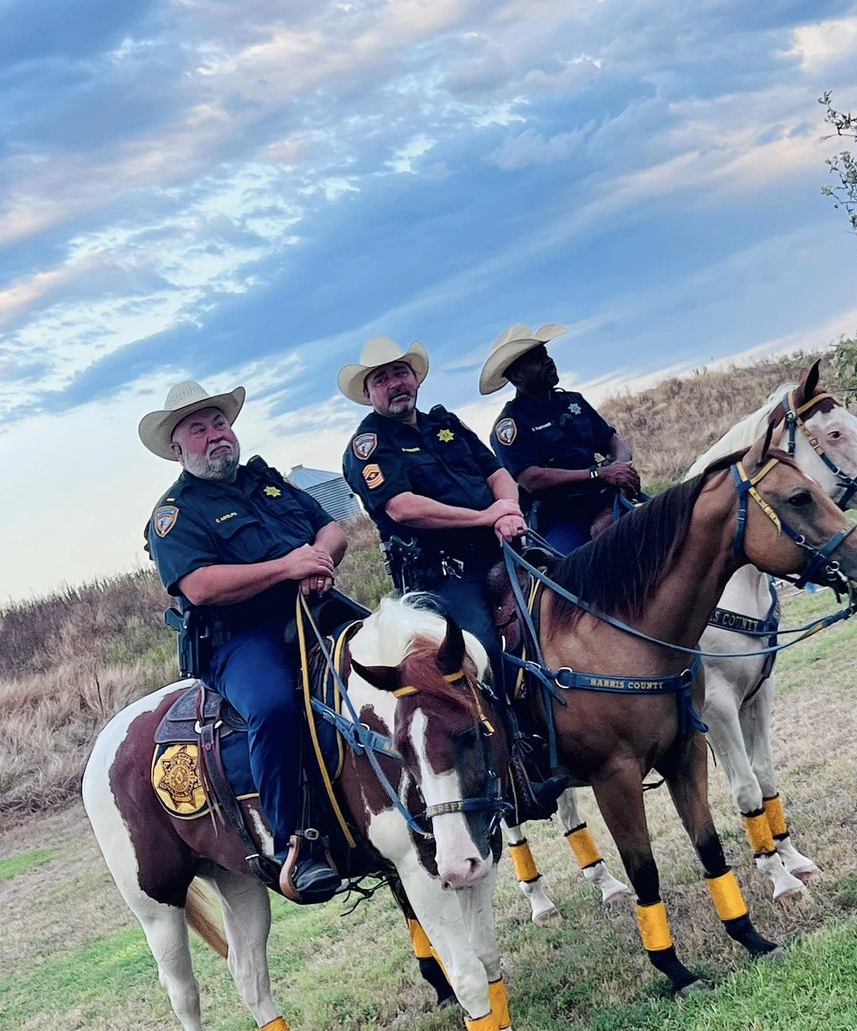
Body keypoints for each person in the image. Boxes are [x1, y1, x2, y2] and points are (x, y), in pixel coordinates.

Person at [139, 379, 345, 902]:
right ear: (176, 448)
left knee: (407, 648)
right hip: (241, 638)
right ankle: (296, 845)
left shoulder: (267, 481)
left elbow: (331, 530)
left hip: (315, 608)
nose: (215, 436)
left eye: (220, 423)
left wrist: (318, 561)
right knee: (274, 707)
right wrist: (286, 567)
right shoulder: (175, 515)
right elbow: (200, 586)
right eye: (199, 429)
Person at [338, 336, 525, 683]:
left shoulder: (446, 425)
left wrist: (510, 509)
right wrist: (487, 517)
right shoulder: (369, 446)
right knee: (481, 652)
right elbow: (402, 508)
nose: (395, 384)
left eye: (400, 373)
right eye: (381, 379)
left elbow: (497, 472)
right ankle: (510, 732)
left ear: (416, 378)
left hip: (506, 544)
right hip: (446, 575)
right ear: (367, 395)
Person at [481, 324, 641, 554]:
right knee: (569, 574)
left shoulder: (573, 402)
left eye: (546, 354)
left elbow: (612, 441)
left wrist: (622, 467)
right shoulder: (510, 425)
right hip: (563, 518)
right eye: (536, 359)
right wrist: (598, 473)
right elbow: (532, 478)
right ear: (516, 375)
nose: (548, 361)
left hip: (606, 499)